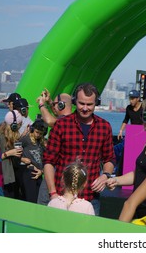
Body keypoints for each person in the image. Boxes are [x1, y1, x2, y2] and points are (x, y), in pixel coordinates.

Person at [43, 82, 115, 215]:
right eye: (82, 103)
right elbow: (48, 161)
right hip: (61, 196)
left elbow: (109, 159)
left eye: (90, 104)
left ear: (96, 103)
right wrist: (52, 193)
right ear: (75, 102)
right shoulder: (61, 125)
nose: (85, 108)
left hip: (91, 198)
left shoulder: (104, 127)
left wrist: (105, 175)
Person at [0, 110, 23, 198]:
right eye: (19, 124)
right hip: (2, 179)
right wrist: (10, 153)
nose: (20, 126)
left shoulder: (12, 137)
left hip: (10, 177)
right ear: (13, 125)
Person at [19, 117, 47, 203]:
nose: (38, 135)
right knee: (31, 199)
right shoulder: (25, 139)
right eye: (37, 132)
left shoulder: (42, 142)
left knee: (39, 200)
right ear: (32, 129)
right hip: (29, 172)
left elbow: (45, 159)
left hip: (39, 173)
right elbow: (15, 150)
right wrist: (22, 158)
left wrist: (41, 171)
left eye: (40, 133)